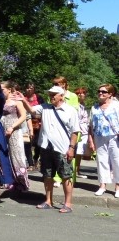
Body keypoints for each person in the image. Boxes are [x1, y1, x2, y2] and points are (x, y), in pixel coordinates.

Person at [28, 85, 79, 213]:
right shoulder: (45, 107)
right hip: (46, 146)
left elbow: (75, 131)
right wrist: (22, 100)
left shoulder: (70, 110)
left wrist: (71, 148)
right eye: (50, 94)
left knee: (66, 175)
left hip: (62, 147)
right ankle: (48, 201)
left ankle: (68, 203)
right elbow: (31, 111)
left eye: (54, 94)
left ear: (61, 96)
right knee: (47, 174)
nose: (51, 96)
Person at [87, 84, 119, 197]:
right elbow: (90, 126)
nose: (100, 93)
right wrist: (90, 140)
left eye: (104, 92)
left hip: (114, 137)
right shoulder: (94, 108)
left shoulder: (116, 106)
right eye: (99, 91)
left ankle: (118, 187)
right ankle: (102, 186)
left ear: (110, 94)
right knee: (101, 161)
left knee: (116, 161)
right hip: (99, 137)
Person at [1, 81, 30, 192]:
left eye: (3, 89)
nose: (1, 91)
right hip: (2, 129)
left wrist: (12, 127)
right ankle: (10, 180)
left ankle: (22, 182)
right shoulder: (0, 101)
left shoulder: (16, 101)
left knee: (17, 156)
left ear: (9, 89)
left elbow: (23, 116)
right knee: (6, 155)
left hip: (14, 129)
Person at [73, 87, 90, 179]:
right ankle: (72, 171)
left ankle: (77, 171)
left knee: (80, 152)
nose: (81, 95)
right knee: (74, 151)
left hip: (84, 131)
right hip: (77, 130)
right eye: (78, 93)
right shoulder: (75, 105)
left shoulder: (83, 105)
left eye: (83, 93)